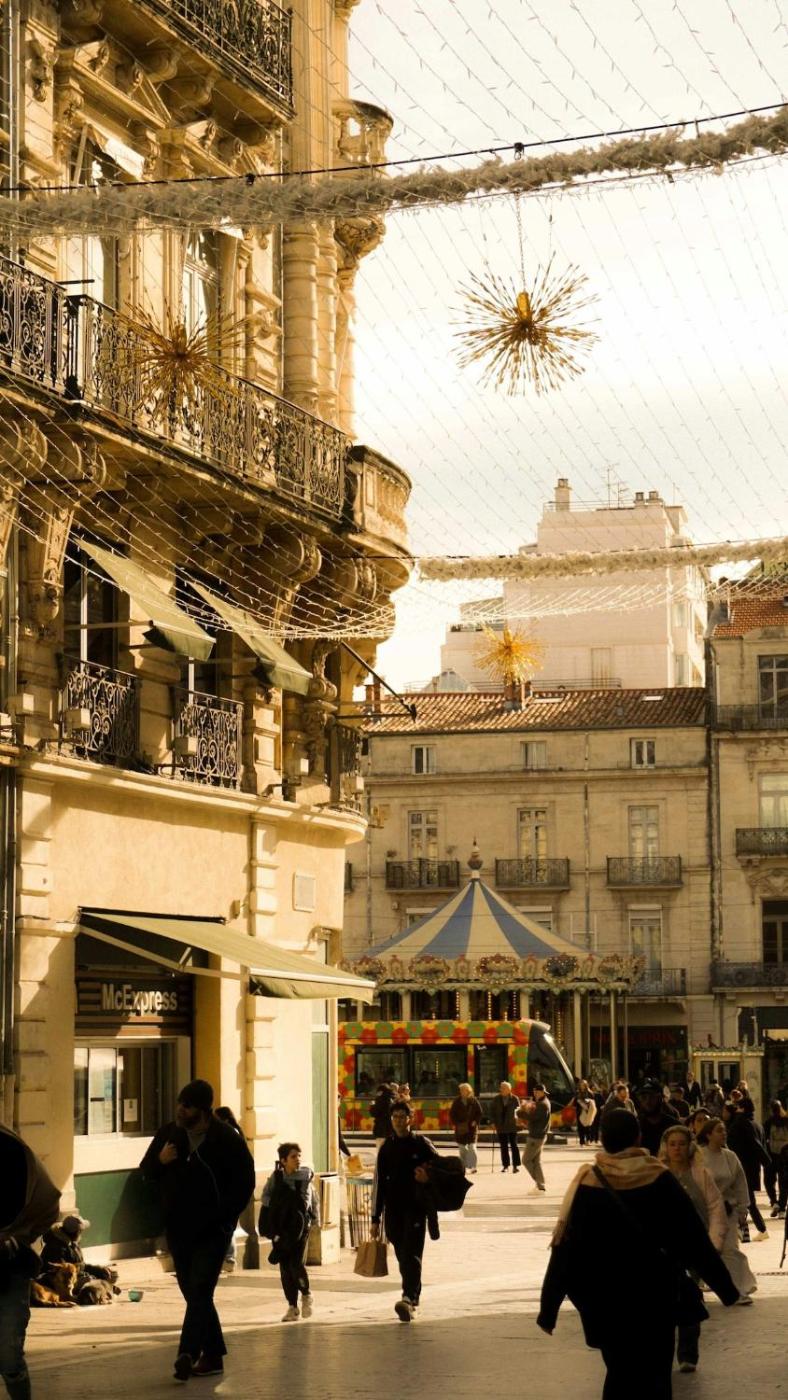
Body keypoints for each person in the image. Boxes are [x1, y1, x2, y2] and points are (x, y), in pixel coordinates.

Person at [537, 1109, 739, 1399]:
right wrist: (725, 1288)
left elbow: (566, 1249)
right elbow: (692, 1237)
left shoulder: (587, 1182)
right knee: (656, 1376)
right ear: (638, 1138)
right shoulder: (659, 1178)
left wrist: (549, 1309)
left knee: (619, 1373)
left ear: (602, 1139)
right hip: (655, 1296)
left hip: (606, 1300)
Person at [140, 1079, 255, 1383]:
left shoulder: (225, 1139)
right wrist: (161, 1161)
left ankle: (187, 1353)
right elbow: (146, 1170)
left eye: (187, 1105)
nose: (180, 1109)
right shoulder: (170, 1134)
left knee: (201, 1288)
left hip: (213, 1231)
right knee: (193, 1292)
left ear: (203, 1110)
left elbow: (245, 1182)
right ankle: (213, 1355)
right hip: (179, 1229)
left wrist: (225, 1218)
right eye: (180, 1103)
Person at [658, 1124, 727, 1373]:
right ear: (666, 1147)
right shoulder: (656, 1174)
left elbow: (715, 1208)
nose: (677, 1149)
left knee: (690, 1298)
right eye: (672, 1144)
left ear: (690, 1147)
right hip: (664, 1249)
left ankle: (688, 1354)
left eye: (682, 1144)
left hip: (694, 1248)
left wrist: (713, 1243)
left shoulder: (700, 1174)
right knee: (663, 1301)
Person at [0, 1123, 60, 1400]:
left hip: (9, 1266)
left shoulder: (11, 1149)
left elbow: (46, 1203)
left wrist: (17, 1236)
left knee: (8, 1354)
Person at [371, 1101, 439, 1321]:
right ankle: (411, 1295)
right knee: (402, 1254)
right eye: (395, 1117)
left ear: (411, 1119)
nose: (399, 1121)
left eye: (402, 1116)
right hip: (393, 1210)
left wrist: (428, 1177)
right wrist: (375, 1218)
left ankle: (408, 1298)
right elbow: (379, 1183)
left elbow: (443, 1169)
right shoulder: (386, 1148)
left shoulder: (421, 1144)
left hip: (416, 1208)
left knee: (412, 1252)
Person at [696, 1116, 757, 1303]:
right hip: (704, 1210)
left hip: (727, 1209)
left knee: (730, 1250)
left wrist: (743, 1208)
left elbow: (740, 1183)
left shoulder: (730, 1157)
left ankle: (740, 1290)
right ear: (708, 1135)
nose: (724, 1134)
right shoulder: (698, 1156)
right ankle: (699, 1287)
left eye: (724, 1130)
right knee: (704, 1251)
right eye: (719, 1130)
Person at [259, 1143, 320, 1322]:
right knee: (285, 1267)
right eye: (293, 1157)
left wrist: (315, 1221)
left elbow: (310, 1202)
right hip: (281, 1227)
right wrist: (279, 1206)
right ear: (283, 1160)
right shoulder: (276, 1177)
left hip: (299, 1227)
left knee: (295, 1263)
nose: (298, 1159)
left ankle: (306, 1295)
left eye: (299, 1156)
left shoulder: (305, 1177)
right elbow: (264, 1196)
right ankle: (292, 1306)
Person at [725, 1100, 771, 1240]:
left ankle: (757, 1230)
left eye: (738, 1107)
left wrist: (767, 1161)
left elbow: (754, 1144)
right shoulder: (757, 1124)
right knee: (746, 1199)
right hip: (752, 1168)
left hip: (741, 1166)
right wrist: (765, 1161)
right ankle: (748, 1231)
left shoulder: (741, 1124)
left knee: (746, 1200)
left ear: (742, 1109)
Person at [518, 1082, 550, 1193]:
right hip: (539, 1135)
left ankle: (540, 1183)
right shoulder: (543, 1102)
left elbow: (532, 1117)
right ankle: (541, 1186)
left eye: (537, 1092)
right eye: (534, 1091)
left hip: (536, 1136)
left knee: (525, 1160)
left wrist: (520, 1112)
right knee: (536, 1162)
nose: (535, 1093)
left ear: (543, 1092)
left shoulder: (542, 1104)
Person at [636, 1079, 680, 1156]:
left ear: (660, 1099)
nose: (647, 1101)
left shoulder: (673, 1126)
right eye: (643, 1097)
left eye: (652, 1097)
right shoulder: (635, 1126)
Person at [448, 1083, 482, 1173]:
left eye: (464, 1090)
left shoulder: (474, 1100)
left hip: (471, 1128)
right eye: (461, 1090)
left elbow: (479, 1113)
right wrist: (456, 1123)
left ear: (468, 1091)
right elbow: (452, 1114)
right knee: (462, 1148)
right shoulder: (457, 1101)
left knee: (472, 1147)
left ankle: (473, 1166)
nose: (462, 1092)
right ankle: (464, 1166)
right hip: (460, 1127)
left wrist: (475, 1121)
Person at [763, 1099, 788, 1219]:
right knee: (784, 1183)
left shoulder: (769, 1122)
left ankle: (774, 1202)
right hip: (785, 1156)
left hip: (772, 1156)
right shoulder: (787, 1120)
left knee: (769, 1181)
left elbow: (764, 1139)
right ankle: (782, 1208)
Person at [490, 1081, 521, 1173]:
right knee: (503, 1146)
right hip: (501, 1125)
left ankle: (515, 1166)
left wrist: (519, 1121)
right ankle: (505, 1166)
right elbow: (492, 1112)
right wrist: (492, 1122)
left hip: (512, 1126)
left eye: (504, 1088)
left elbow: (519, 1111)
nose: (502, 1089)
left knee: (514, 1146)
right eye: (501, 1088)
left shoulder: (514, 1098)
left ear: (509, 1089)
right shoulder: (496, 1099)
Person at [370, 1082, 398, 1150]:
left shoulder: (380, 1100)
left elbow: (374, 1113)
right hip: (390, 1129)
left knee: (380, 1151)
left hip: (380, 1130)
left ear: (381, 1091)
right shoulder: (391, 1099)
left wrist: (372, 1106)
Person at [572, 1080, 597, 1147]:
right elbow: (574, 1103)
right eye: (581, 1085)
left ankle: (588, 1140)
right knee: (580, 1127)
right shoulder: (577, 1093)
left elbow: (593, 1102)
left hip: (588, 1112)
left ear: (586, 1085)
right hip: (580, 1112)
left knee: (588, 1126)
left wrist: (588, 1102)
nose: (582, 1086)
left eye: (583, 1085)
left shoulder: (589, 1093)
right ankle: (582, 1142)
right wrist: (577, 1102)